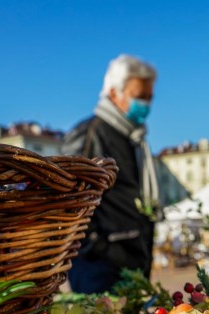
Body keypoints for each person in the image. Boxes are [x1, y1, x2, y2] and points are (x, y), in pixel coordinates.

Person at [62, 54, 161, 294]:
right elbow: (69, 202)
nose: (146, 105)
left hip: (132, 262)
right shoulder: (90, 135)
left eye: (150, 98)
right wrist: (98, 247)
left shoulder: (135, 140)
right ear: (114, 93)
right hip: (99, 267)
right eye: (140, 97)